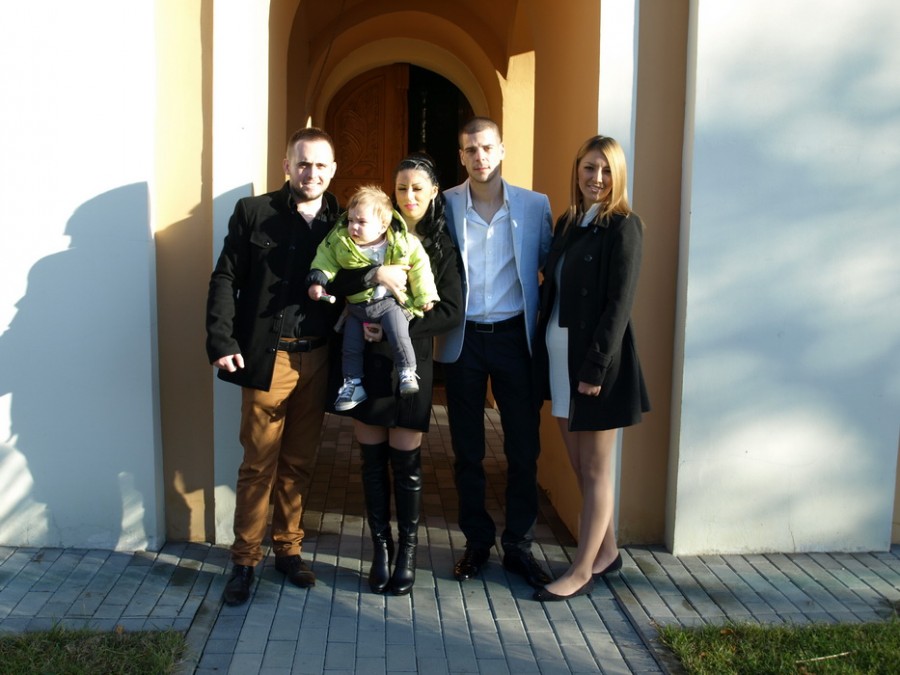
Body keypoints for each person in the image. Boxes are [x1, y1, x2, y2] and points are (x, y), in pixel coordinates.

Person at [205, 127, 341, 606]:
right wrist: (221, 339)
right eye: (303, 163)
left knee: (299, 463)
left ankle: (288, 550)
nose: (311, 173)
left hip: (319, 354)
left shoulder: (344, 221)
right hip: (270, 355)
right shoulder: (254, 212)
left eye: (321, 165)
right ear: (287, 166)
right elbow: (226, 277)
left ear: (332, 170)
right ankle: (244, 560)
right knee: (258, 463)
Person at [325, 154, 463, 595]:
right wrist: (371, 278)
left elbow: (450, 310)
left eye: (417, 188)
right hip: (365, 363)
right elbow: (337, 282)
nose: (408, 196)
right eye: (401, 188)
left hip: (409, 366)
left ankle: (407, 554)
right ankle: (380, 550)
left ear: (433, 192)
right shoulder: (361, 234)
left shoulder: (440, 246)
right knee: (371, 464)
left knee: (406, 466)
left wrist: (393, 325)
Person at [435, 117, 554, 588]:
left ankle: (519, 545)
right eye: (470, 150)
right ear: (461, 156)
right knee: (467, 450)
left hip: (513, 338)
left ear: (501, 150)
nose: (479, 156)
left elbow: (549, 268)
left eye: (486, 147)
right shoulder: (445, 204)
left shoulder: (535, 206)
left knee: (523, 448)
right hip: (463, 339)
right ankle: (477, 542)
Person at [531, 135, 651, 602]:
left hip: (596, 363)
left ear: (617, 175)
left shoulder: (624, 226)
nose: (596, 178)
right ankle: (608, 552)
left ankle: (582, 570)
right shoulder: (568, 222)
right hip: (560, 357)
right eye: (588, 168)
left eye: (605, 170)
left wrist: (596, 367)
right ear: (576, 169)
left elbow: (619, 304)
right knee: (580, 465)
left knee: (597, 469)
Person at [307, 185, 440, 412]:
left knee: (398, 334)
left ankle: (407, 370)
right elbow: (325, 259)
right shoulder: (340, 242)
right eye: (350, 220)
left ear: (383, 225)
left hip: (390, 305)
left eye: (361, 222)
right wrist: (318, 279)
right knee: (350, 347)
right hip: (357, 308)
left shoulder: (403, 243)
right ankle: (353, 383)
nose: (353, 227)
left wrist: (424, 295)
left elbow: (420, 268)